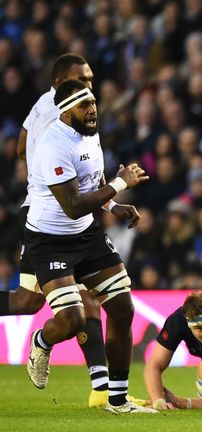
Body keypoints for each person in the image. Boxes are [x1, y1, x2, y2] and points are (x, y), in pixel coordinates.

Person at [0, 54, 144, 408]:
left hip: (84, 231)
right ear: (63, 94)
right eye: (85, 88)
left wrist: (111, 204)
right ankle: (45, 344)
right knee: (68, 315)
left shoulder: (86, 126)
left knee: (121, 307)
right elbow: (74, 202)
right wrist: (119, 185)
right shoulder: (54, 138)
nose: (93, 101)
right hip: (48, 234)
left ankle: (115, 398)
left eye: (93, 91)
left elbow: (88, 183)